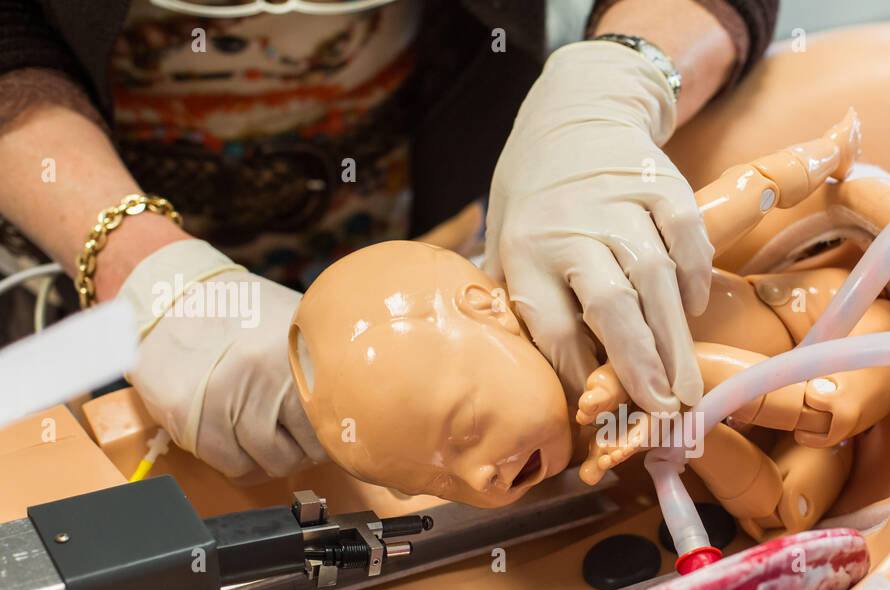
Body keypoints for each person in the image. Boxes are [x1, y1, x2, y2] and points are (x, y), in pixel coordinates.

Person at [0, 0, 777, 477]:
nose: (481, 477)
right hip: (60, 252)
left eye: (462, 433)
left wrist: (615, 82)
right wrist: (138, 270)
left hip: (438, 189)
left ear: (484, 304)